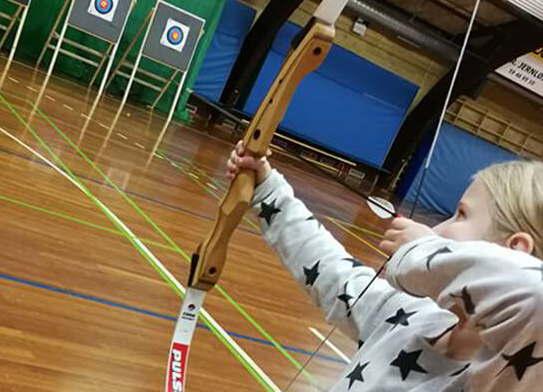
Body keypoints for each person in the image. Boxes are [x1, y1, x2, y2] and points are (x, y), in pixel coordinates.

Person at [225, 142, 543, 391]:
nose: (438, 229)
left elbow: (533, 296)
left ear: (514, 251)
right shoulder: (414, 316)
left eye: (461, 215)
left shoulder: (505, 379)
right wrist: (266, 187)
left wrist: (421, 254)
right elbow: (332, 270)